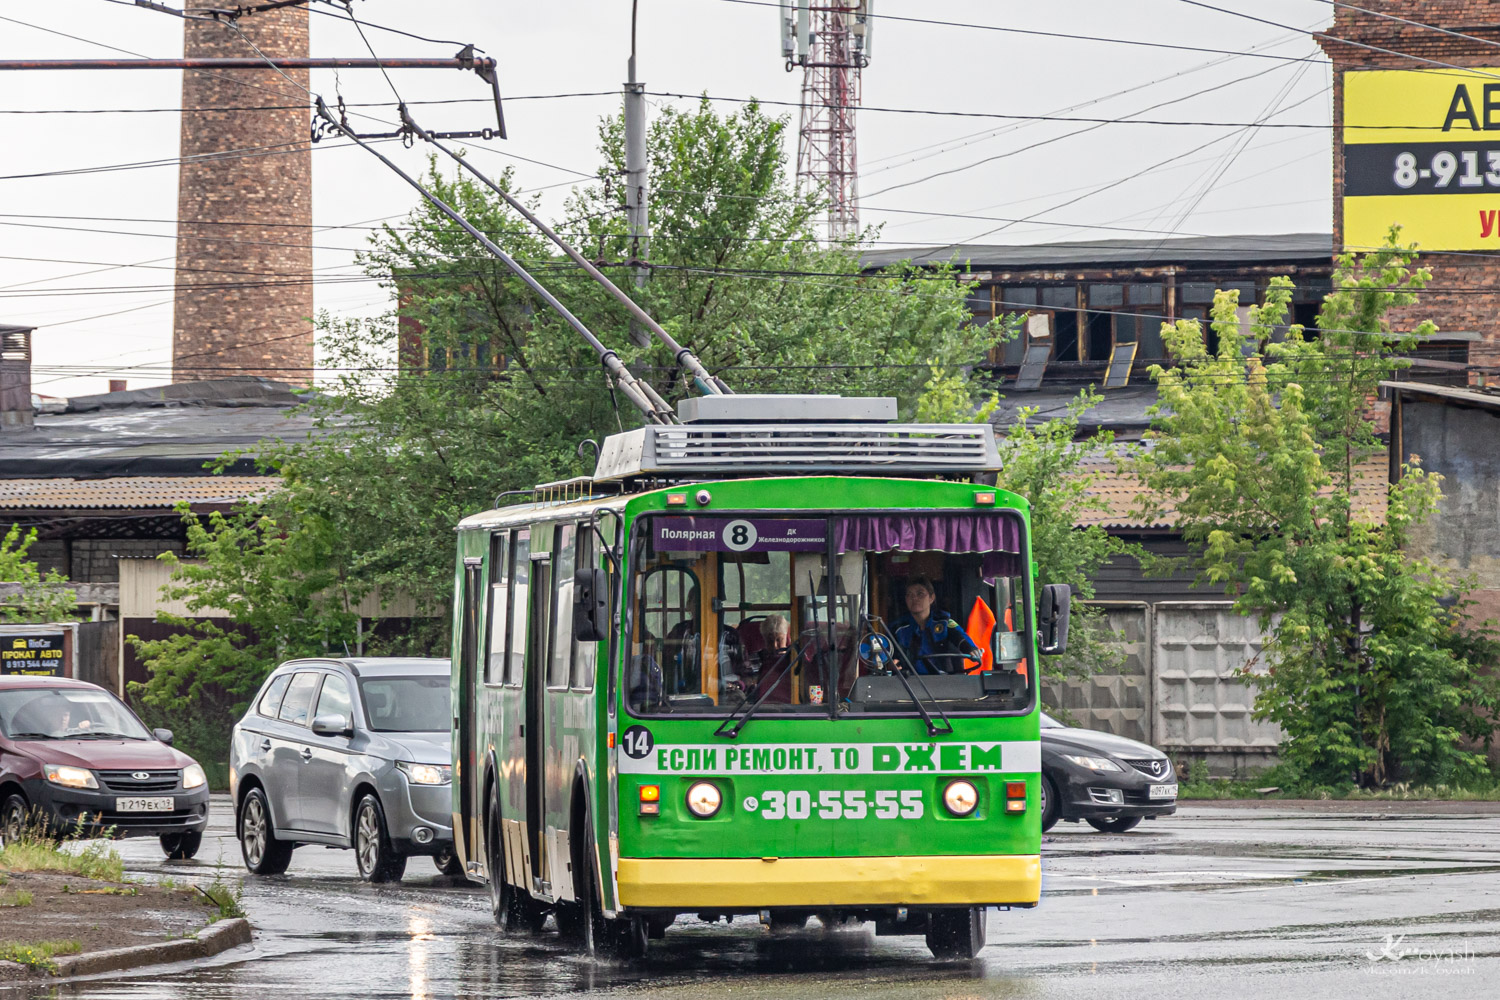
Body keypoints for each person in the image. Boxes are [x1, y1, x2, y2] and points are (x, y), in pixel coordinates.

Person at [889, 577, 980, 675]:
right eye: (909, 595)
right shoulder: (897, 628)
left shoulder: (944, 622)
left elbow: (960, 637)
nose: (914, 598)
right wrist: (890, 663)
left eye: (920, 594)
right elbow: (884, 653)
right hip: (909, 684)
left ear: (932, 598)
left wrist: (971, 649)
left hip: (945, 683)